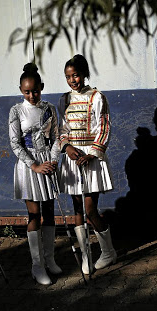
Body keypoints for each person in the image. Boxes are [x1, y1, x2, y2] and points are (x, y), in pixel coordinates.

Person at [58, 54, 116, 275]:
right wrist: (67, 148)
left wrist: (92, 153)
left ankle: (108, 251)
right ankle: (85, 255)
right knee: (77, 210)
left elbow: (104, 128)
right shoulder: (64, 100)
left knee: (91, 209)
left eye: (76, 75)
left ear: (84, 74)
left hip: (91, 159)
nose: (73, 80)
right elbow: (61, 130)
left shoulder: (97, 97)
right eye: (68, 77)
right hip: (73, 159)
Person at [9, 63, 62, 285]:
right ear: (21, 90)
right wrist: (34, 165)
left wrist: (52, 160)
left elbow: (57, 137)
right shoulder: (16, 111)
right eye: (27, 91)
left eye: (35, 90)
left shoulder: (50, 108)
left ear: (42, 86)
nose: (31, 95)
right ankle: (37, 265)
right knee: (34, 215)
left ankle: (49, 260)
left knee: (49, 213)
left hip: (47, 161)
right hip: (28, 165)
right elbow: (15, 143)